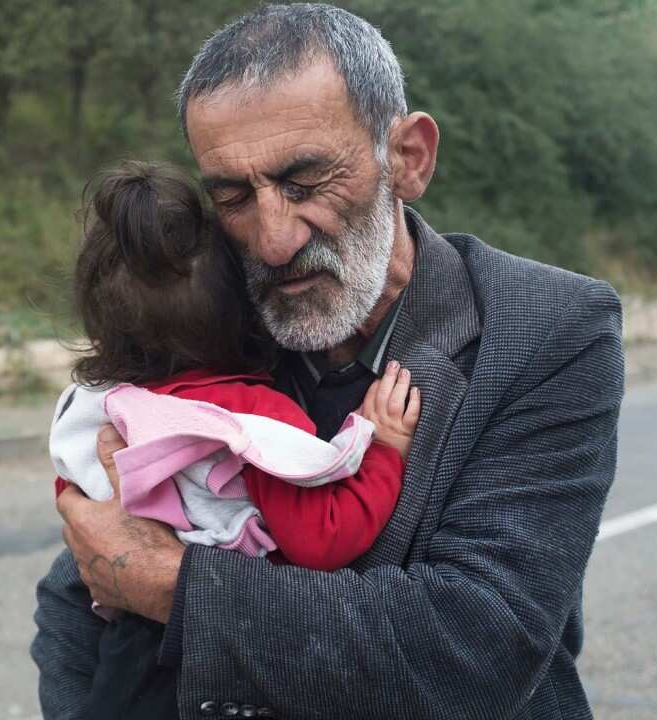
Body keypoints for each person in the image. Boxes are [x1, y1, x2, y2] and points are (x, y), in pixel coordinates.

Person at [32, 4, 625, 719]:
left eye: (306, 183)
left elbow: (480, 645)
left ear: (408, 158)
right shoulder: (211, 328)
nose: (274, 241)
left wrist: (171, 585)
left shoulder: (551, 327)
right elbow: (78, 592)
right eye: (233, 197)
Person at [46, 160, 420, 717]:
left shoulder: (98, 408)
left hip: (122, 662)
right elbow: (322, 540)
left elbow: (79, 511)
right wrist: (384, 450)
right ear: (247, 311)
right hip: (208, 662)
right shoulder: (249, 419)